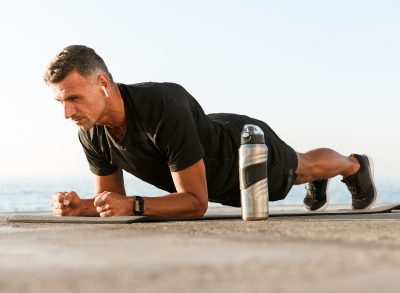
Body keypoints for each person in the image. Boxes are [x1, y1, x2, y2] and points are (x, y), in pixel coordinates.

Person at [44, 45, 377, 218]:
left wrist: (134, 205)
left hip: (239, 151)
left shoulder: (161, 104)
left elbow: (195, 203)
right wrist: (83, 207)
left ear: (102, 83)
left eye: (73, 98)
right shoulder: (89, 129)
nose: (66, 112)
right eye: (60, 101)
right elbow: (112, 203)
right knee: (303, 171)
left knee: (302, 168)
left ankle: (353, 165)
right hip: (204, 140)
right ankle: (324, 175)